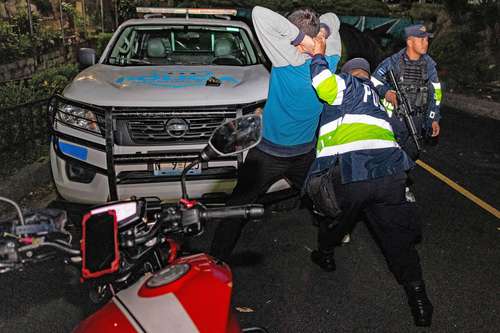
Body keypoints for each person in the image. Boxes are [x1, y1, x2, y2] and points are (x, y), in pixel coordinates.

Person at [305, 38, 433, 326]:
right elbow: (401, 135)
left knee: (333, 216)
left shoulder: (345, 85)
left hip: (351, 172)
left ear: (350, 73)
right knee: (398, 240)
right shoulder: (382, 101)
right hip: (390, 174)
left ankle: (325, 255)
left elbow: (322, 82)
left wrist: (318, 55)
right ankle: (420, 301)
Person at [209, 6, 342, 262]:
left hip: (268, 155)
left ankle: (215, 262)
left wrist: (300, 40)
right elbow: (333, 18)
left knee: (236, 210)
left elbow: (259, 14)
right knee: (325, 203)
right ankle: (327, 253)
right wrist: (320, 38)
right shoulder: (332, 59)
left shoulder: (284, 58)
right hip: (305, 154)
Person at [371, 24, 442, 159]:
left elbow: (436, 94)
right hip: (394, 120)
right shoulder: (392, 62)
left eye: (427, 40)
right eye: (421, 40)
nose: (425, 43)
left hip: (417, 120)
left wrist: (433, 119)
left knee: (411, 156)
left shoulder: (429, 65)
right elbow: (373, 81)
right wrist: (386, 92)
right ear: (410, 41)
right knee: (389, 158)